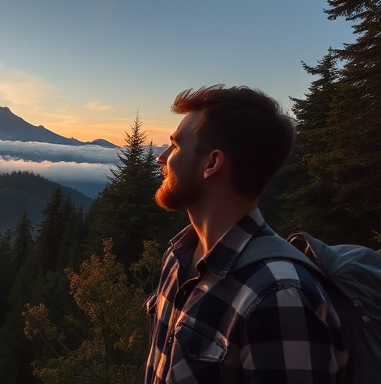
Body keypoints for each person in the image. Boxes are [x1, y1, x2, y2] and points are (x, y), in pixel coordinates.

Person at [144, 85, 346, 383]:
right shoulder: (178, 258)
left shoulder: (280, 296)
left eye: (175, 146)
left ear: (211, 164)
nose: (162, 157)